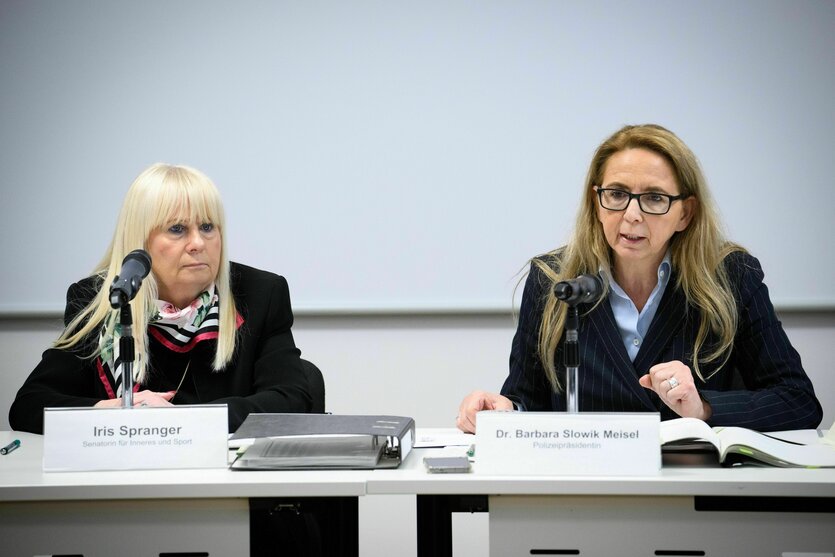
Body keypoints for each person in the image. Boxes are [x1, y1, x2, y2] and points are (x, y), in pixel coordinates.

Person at [457, 124, 822, 434]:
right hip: (583, 492)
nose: (632, 215)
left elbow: (797, 400)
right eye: (616, 195)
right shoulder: (555, 280)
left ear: (685, 213)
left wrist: (704, 408)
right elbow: (528, 401)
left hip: (693, 492)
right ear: (596, 202)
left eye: (654, 198)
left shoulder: (731, 278)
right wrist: (501, 412)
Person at [9, 163, 313, 433]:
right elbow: (30, 405)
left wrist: (182, 421)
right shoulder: (103, 300)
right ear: (140, 240)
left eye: (208, 227)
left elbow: (293, 398)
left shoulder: (259, 293)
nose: (197, 243)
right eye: (177, 229)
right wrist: (111, 410)